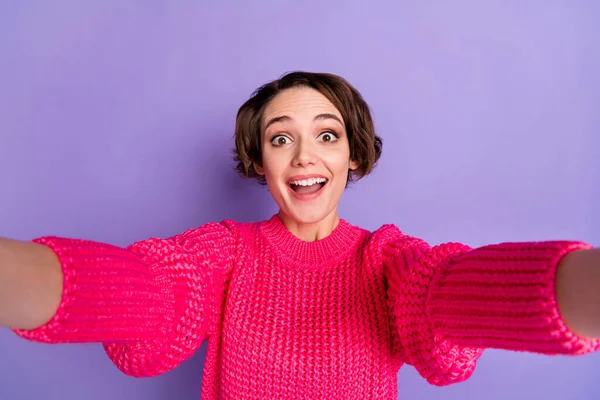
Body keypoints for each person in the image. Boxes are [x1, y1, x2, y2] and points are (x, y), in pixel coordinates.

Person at [1, 71, 599, 400]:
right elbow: (152, 293)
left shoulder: (385, 259)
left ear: (354, 159)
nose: (304, 155)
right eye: (281, 138)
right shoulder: (226, 252)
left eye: (328, 135)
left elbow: (450, 293)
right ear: (260, 161)